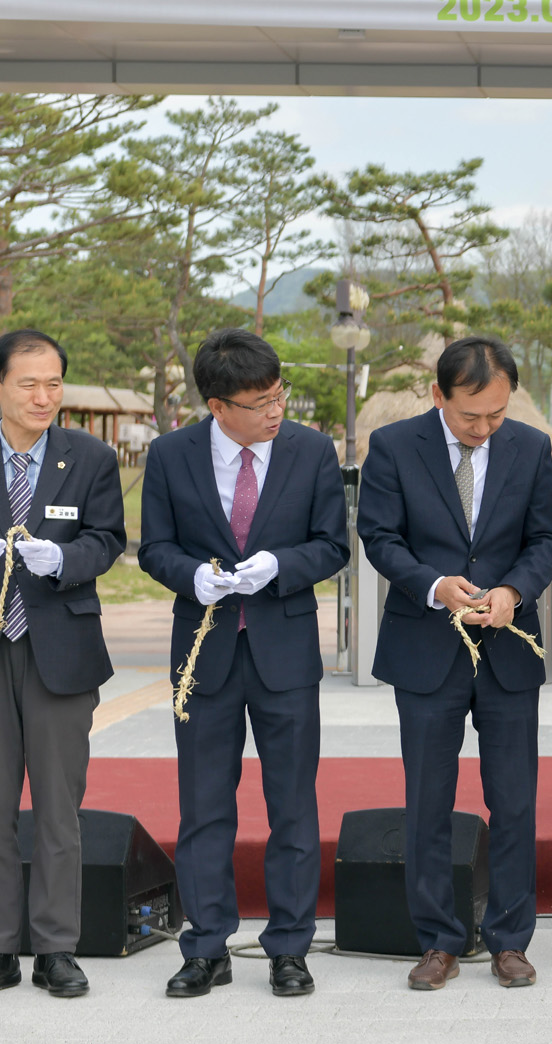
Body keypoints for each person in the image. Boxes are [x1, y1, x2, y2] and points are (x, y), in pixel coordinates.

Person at [138, 329, 348, 998]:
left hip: (286, 653)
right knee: (203, 808)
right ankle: (206, 948)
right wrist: (191, 577)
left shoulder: (311, 450)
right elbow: (154, 548)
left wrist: (280, 565)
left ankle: (289, 948)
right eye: (260, 403)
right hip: (206, 654)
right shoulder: (170, 455)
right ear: (217, 405)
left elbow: (333, 545)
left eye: (279, 395)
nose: (275, 410)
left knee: (293, 807)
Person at [358, 337, 552, 991]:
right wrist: (433, 585)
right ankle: (437, 940)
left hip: (508, 649)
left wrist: (513, 592)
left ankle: (510, 939)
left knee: (515, 801)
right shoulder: (394, 447)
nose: (484, 428)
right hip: (425, 648)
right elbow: (379, 535)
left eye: (497, 414)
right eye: (470, 415)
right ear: (438, 395)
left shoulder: (530, 447)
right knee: (428, 802)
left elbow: (545, 539)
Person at [0, 329, 125, 999]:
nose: (43, 397)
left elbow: (107, 539)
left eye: (53, 383)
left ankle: (55, 948)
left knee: (57, 809)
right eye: (28, 383)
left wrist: (64, 560)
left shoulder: (89, 456)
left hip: (61, 649)